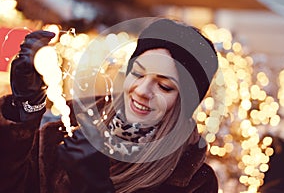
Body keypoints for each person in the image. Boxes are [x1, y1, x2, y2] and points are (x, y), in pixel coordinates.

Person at [0, 18, 219, 193]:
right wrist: (25, 109)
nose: (142, 91)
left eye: (164, 86)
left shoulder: (193, 183)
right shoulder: (63, 132)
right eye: (138, 73)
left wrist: (94, 187)